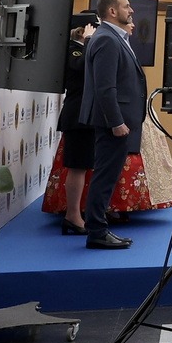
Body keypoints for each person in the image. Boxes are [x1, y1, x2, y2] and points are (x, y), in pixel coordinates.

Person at [80, 0, 144, 249]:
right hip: (112, 123)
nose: (132, 11)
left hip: (117, 121)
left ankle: (98, 228)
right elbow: (105, 88)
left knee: (107, 176)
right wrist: (116, 122)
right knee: (105, 176)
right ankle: (96, 231)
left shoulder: (115, 37)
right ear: (112, 12)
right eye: (127, 6)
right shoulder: (106, 39)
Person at [52, 13, 98, 235]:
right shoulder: (72, 48)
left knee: (85, 165)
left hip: (87, 117)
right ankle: (72, 216)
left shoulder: (82, 46)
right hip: (77, 116)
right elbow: (81, 66)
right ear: (83, 30)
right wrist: (89, 42)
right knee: (78, 167)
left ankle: (79, 213)